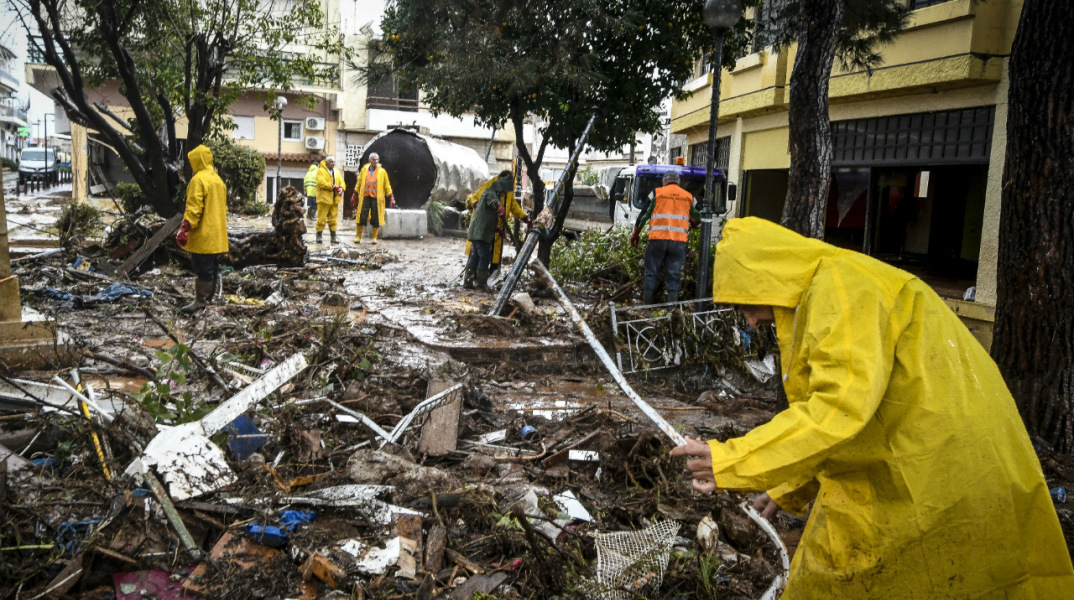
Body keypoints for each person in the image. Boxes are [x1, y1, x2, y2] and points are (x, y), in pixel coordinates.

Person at [672, 217, 1074, 599]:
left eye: (743, 303)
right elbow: (848, 408)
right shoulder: (836, 285)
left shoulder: (843, 289)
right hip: (932, 463)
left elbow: (837, 409)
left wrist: (729, 459)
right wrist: (788, 486)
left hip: (932, 472)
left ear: (763, 279)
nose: (751, 321)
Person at [630, 170, 700, 304]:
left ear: (664, 182)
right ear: (678, 183)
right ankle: (671, 311)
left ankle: (646, 307)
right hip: (678, 243)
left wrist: (635, 234)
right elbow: (698, 218)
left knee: (651, 273)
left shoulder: (657, 193)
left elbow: (644, 215)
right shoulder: (688, 196)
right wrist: (691, 221)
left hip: (657, 240)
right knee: (674, 275)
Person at [175, 144, 228, 313]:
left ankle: (201, 302)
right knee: (212, 267)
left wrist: (185, 227)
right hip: (217, 235)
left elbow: (194, 208)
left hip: (203, 234)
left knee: (202, 268)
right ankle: (210, 300)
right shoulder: (218, 180)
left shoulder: (198, 180)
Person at [464, 170, 530, 274]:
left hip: (489, 228)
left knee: (481, 256)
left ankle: (474, 279)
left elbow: (513, 206)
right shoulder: (489, 189)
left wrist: (524, 217)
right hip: (483, 229)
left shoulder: (505, 191)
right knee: (483, 256)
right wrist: (498, 208)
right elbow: (486, 201)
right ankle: (480, 281)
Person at [464, 171, 511, 290]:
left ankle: (468, 282)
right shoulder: (491, 192)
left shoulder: (491, 193)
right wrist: (499, 207)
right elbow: (493, 202)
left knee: (475, 256)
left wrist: (497, 228)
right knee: (484, 256)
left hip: (477, 231)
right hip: (482, 233)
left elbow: (485, 216)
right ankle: (481, 284)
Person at [353, 152, 394, 245]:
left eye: (377, 159)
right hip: (365, 196)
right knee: (361, 216)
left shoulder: (382, 172)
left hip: (376, 198)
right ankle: (358, 236)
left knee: (376, 217)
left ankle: (374, 238)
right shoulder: (364, 169)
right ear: (369, 160)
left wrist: (391, 197)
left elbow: (387, 185)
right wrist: (354, 194)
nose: (375, 161)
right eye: (373, 159)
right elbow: (359, 182)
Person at [314, 155, 345, 244]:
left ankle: (333, 236)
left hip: (334, 199)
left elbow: (342, 181)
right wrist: (332, 186)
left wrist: (342, 188)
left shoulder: (336, 171)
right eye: (331, 162)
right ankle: (319, 235)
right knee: (321, 218)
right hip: (324, 199)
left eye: (334, 162)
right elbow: (321, 182)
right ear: (326, 162)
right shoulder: (321, 171)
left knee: (333, 219)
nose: (333, 163)